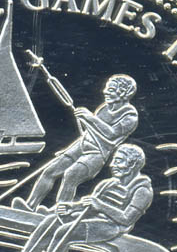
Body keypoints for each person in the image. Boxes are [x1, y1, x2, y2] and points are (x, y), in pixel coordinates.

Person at [5, 144, 153, 252]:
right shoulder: (108, 184)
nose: (112, 165)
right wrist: (71, 208)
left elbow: (127, 219)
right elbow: (89, 206)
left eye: (119, 161)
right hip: (94, 219)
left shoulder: (142, 190)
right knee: (51, 221)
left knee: (65, 231)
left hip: (112, 226)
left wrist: (100, 205)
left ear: (133, 165)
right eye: (114, 160)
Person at [12, 74, 139, 212]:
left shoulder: (130, 116)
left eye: (111, 89)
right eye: (107, 88)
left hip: (97, 153)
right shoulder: (104, 108)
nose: (105, 91)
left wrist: (90, 118)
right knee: (49, 171)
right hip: (81, 146)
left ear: (124, 93)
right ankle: (30, 206)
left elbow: (111, 134)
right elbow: (89, 133)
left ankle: (59, 213)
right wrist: (70, 148)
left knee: (71, 175)